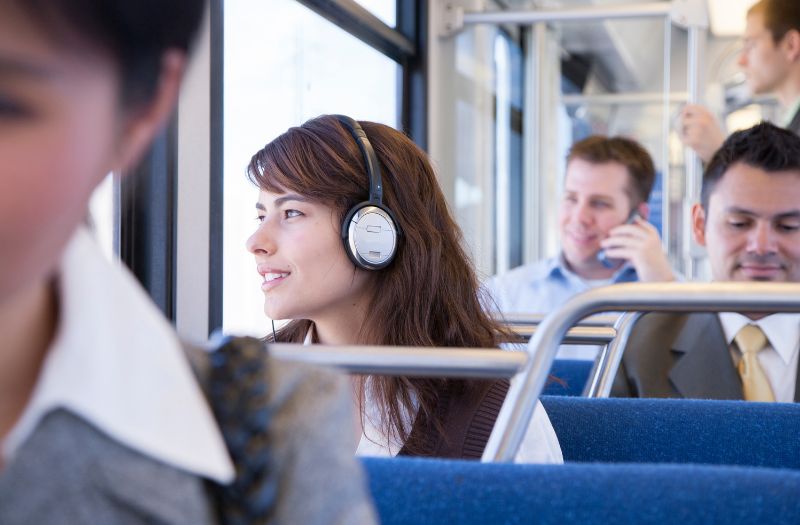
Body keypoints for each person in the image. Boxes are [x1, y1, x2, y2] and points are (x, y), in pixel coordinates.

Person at [0, 2, 376, 524]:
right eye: (262, 213)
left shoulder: (269, 427)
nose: (255, 242)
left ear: (139, 112)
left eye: (6, 105)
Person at [245, 114, 562, 463]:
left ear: (372, 232)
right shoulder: (244, 382)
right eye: (262, 217)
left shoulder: (501, 416)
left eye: (291, 213)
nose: (256, 242)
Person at [612, 122, 800, 402]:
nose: (761, 247)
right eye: (739, 223)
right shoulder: (641, 347)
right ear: (700, 225)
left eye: (788, 226)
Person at [486, 136, 675, 358]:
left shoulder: (677, 292)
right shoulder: (502, 294)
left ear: (638, 216)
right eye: (571, 198)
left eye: (599, 203)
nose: (579, 217)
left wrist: (663, 288)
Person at [679, 0, 800, 162]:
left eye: (750, 45)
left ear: (791, 45)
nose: (741, 61)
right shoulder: (790, 128)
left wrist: (721, 152)